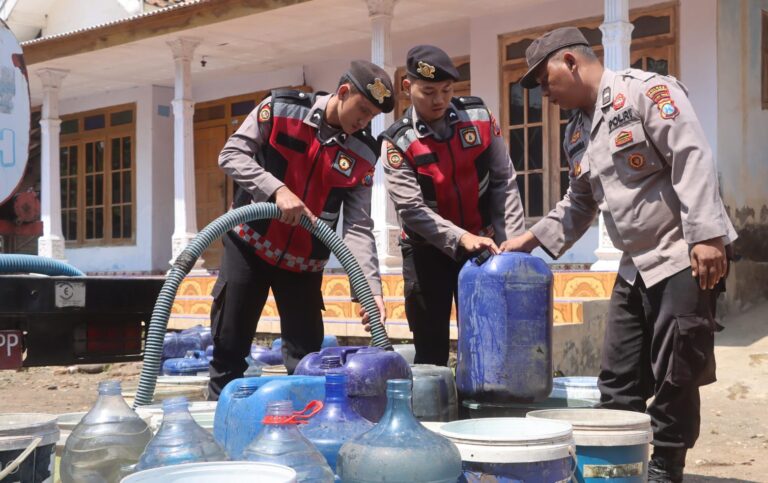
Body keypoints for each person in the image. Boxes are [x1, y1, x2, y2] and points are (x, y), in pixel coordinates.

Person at [501, 27, 737, 482]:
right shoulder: (577, 133)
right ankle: (618, 463)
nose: (541, 91)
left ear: (570, 61)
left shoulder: (644, 92)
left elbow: (691, 156)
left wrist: (706, 236)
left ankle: (666, 464)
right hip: (636, 266)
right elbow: (579, 202)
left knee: (676, 367)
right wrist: (531, 239)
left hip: (683, 254)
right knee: (618, 373)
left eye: (544, 78)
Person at [208, 60, 394, 399]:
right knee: (228, 351)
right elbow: (231, 154)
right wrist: (276, 190)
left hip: (304, 266)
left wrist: (370, 291)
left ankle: (304, 435)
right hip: (248, 246)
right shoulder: (281, 109)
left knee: (307, 363)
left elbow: (357, 226)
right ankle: (218, 434)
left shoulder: (364, 152)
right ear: (342, 92)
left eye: (371, 117)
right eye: (362, 110)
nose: (364, 121)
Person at [380, 45, 525, 366]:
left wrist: (512, 242)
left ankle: (482, 408)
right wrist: (460, 238)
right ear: (407, 87)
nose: (439, 100)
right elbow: (412, 209)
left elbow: (504, 180)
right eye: (429, 91)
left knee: (486, 338)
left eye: (447, 91)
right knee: (430, 348)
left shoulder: (479, 118)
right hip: (425, 253)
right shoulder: (398, 141)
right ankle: (436, 412)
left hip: (482, 246)